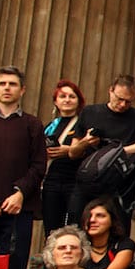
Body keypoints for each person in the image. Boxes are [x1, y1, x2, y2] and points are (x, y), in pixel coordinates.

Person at [0, 66, 47, 269]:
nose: (7, 88)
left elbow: (39, 166)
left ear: (22, 90)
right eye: (2, 83)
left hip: (19, 208)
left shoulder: (32, 124)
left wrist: (19, 192)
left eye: (12, 84)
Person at [67, 74, 135, 222]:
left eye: (128, 101)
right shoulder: (90, 112)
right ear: (110, 91)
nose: (122, 105)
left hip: (119, 186)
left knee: (118, 231)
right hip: (88, 181)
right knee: (76, 227)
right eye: (119, 99)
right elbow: (72, 152)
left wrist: (118, 153)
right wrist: (86, 141)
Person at [41, 79, 85, 230]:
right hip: (51, 181)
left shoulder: (83, 124)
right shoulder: (50, 126)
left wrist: (69, 150)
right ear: (55, 101)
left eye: (72, 96)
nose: (67, 100)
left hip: (74, 182)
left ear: (79, 101)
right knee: (51, 228)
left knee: (73, 227)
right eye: (62, 96)